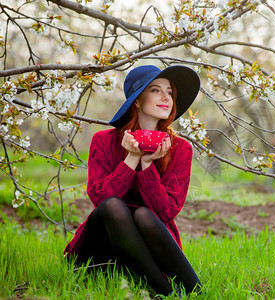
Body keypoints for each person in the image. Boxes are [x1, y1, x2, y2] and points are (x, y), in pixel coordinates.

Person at [64, 65, 202, 296]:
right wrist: (131, 159)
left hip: (152, 248)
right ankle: (166, 291)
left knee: (144, 214)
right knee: (113, 206)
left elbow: (166, 212)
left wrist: (148, 165)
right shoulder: (104, 141)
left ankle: (193, 289)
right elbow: (100, 198)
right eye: (156, 90)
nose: (166, 97)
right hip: (102, 247)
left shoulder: (181, 149)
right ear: (137, 101)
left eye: (169, 91)